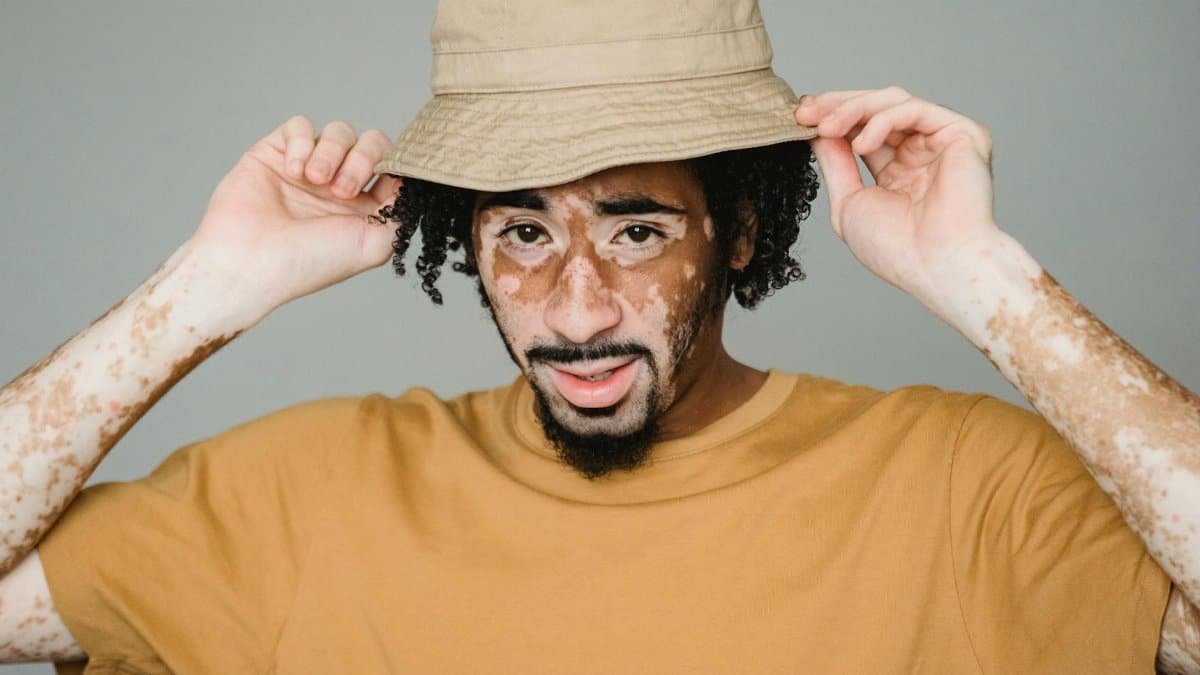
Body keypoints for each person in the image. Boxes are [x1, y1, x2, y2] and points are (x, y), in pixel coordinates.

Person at [0, 0, 1197, 672]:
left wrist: (986, 281)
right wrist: (204, 290)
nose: (575, 312)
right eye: (522, 232)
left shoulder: (964, 487)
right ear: (463, 237)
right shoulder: (302, 494)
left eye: (635, 231)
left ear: (737, 229)